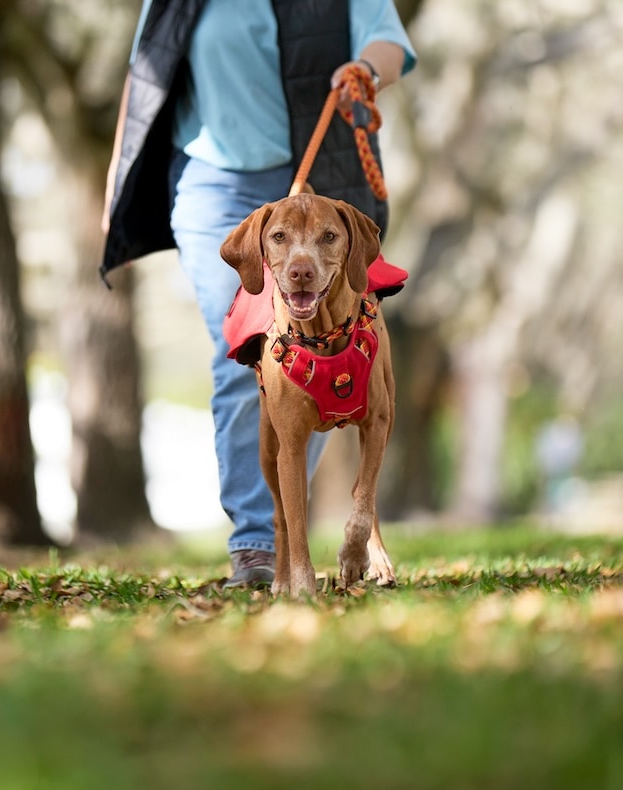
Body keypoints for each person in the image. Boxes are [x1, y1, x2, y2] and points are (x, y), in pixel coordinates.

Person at [101, 0, 416, 586]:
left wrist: (363, 72)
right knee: (247, 350)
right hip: (209, 184)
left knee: (321, 357)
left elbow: (388, 44)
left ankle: (291, 531)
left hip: (314, 169)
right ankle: (256, 544)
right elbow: (144, 75)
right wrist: (116, 180)